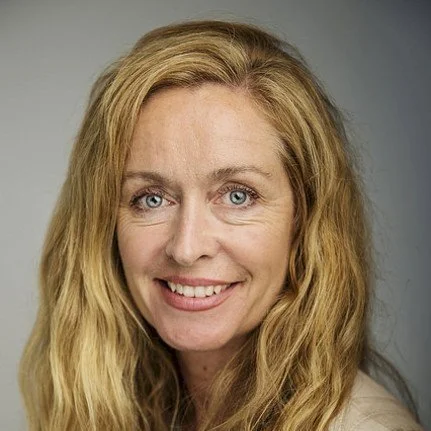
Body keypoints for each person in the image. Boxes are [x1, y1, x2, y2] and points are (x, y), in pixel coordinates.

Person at [19, 20, 423, 431]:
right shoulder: (126, 411)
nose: (186, 247)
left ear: (303, 219)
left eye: (237, 195)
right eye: (152, 198)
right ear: (105, 224)